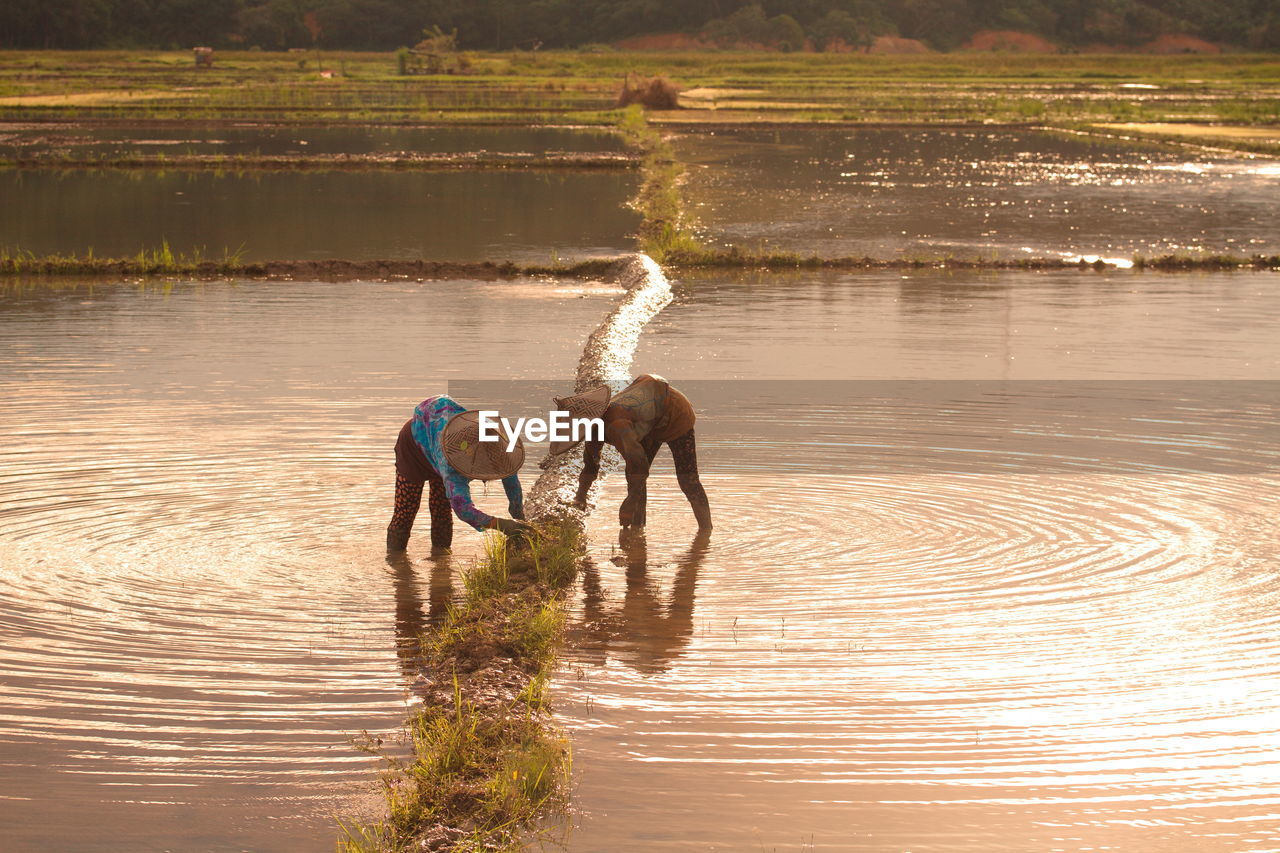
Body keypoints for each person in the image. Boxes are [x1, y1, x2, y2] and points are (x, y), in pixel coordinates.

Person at [552, 374, 711, 531]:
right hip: (649, 420)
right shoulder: (594, 428)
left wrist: (630, 501)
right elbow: (591, 464)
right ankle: (637, 530)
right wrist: (580, 497)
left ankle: (706, 530)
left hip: (676, 413)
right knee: (633, 477)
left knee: (688, 481)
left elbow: (639, 465)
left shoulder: (617, 426)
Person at [386, 395, 532, 553]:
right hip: (414, 447)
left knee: (441, 510)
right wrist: (502, 525)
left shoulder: (499, 450)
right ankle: (395, 561)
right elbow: (463, 509)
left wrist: (520, 519)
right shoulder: (453, 463)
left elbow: (512, 486)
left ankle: (441, 561)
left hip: (438, 440)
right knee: (405, 512)